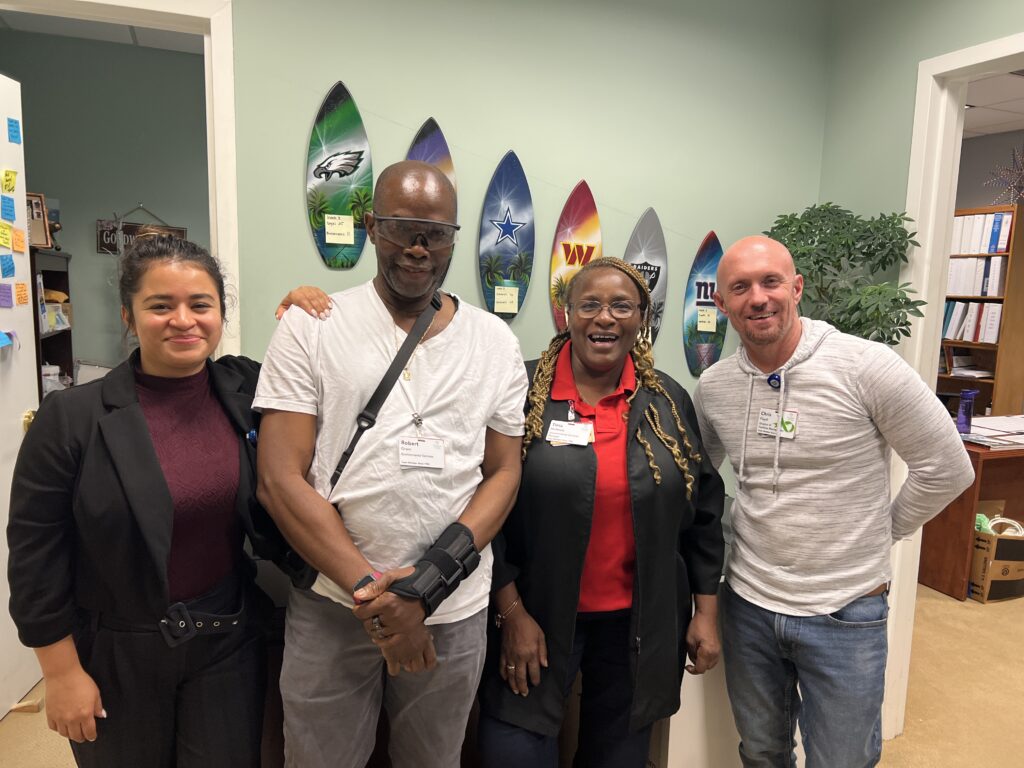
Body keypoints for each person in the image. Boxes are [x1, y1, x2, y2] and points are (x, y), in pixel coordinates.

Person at [6, 233, 325, 767]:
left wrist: (309, 314)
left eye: (201, 305)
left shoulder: (244, 388)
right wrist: (60, 674)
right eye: (160, 306)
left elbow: (327, 381)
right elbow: (36, 558)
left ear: (221, 313)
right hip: (117, 652)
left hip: (227, 640)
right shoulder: (73, 418)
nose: (184, 320)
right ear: (130, 317)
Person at [254, 159, 529, 768]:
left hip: (452, 610)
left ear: (457, 239)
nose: (419, 246)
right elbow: (278, 479)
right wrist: (378, 600)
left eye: (436, 233)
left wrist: (427, 587)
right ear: (373, 226)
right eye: (402, 227)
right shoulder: (312, 325)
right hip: (333, 604)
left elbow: (503, 473)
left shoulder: (495, 342)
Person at [694, 235, 975, 768]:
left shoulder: (866, 366)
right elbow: (704, 479)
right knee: (760, 752)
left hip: (847, 610)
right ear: (723, 304)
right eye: (741, 287)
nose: (758, 297)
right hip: (749, 605)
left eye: (771, 281)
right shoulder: (715, 388)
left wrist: (884, 530)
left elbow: (946, 467)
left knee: (842, 761)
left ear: (796, 288)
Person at [476, 257, 726, 768]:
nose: (605, 318)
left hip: (638, 626)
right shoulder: (521, 393)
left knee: (619, 757)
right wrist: (511, 612)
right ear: (566, 314)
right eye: (589, 304)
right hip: (534, 615)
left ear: (642, 320)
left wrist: (705, 614)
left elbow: (701, 512)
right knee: (513, 751)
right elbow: (482, 505)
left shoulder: (669, 402)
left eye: (621, 306)